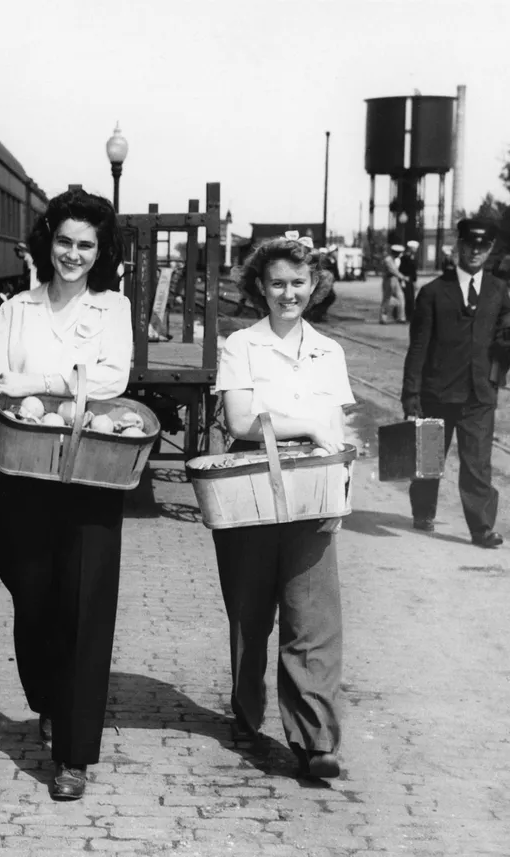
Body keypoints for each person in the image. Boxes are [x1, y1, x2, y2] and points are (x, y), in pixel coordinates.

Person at [0, 188, 132, 801]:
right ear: (49, 241)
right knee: (31, 595)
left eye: (85, 245)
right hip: (24, 472)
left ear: (100, 252)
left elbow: (111, 377)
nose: (73, 254)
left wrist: (34, 384)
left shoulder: (111, 308)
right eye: (64, 241)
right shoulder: (17, 309)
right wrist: (16, 408)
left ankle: (73, 754)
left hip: (91, 472)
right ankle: (46, 697)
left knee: (85, 613)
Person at [214, 233, 353, 780]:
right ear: (259, 288)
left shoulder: (329, 350)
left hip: (313, 492)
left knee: (313, 619)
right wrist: (307, 425)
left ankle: (314, 739)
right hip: (251, 490)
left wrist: (343, 489)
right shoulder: (240, 346)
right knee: (251, 616)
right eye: (277, 283)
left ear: (314, 285)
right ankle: (247, 715)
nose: (288, 293)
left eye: (298, 282)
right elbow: (241, 421)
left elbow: (338, 429)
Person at [401, 218, 510, 549]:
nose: (475, 252)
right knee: (428, 462)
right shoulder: (433, 292)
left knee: (477, 465)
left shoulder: (497, 289)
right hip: (435, 393)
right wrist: (411, 396)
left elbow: (507, 327)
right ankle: (423, 511)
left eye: (483, 247)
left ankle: (482, 529)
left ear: (490, 250)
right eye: (469, 245)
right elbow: (417, 348)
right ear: (458, 246)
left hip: (479, 394)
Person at [380, 244, 407, 324]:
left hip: (395, 280)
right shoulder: (388, 260)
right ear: (395, 252)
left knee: (401, 297)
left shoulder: (396, 259)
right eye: (399, 253)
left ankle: (401, 317)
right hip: (388, 280)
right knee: (386, 300)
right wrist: (403, 277)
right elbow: (393, 271)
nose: (400, 254)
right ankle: (383, 318)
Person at [400, 240, 420, 321]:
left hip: (410, 279)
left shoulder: (411, 257)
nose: (416, 250)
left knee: (411, 297)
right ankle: (408, 316)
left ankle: (410, 315)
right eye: (415, 248)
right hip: (407, 279)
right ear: (411, 248)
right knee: (408, 297)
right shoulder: (405, 257)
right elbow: (409, 270)